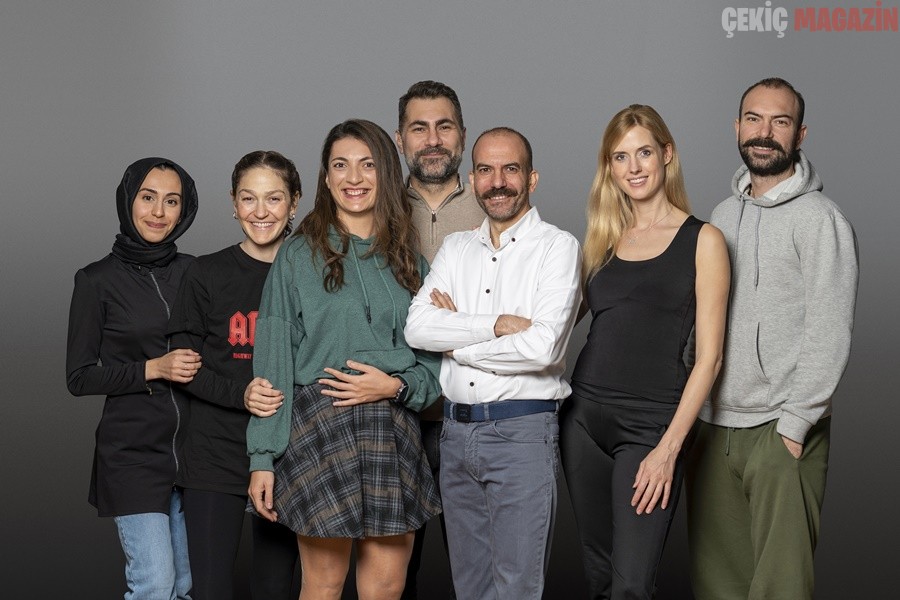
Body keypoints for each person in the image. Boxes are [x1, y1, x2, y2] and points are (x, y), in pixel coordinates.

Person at [246, 119, 442, 600]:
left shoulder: (411, 260)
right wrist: (262, 457)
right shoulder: (296, 256)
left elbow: (438, 363)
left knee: (386, 587)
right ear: (326, 177)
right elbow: (272, 366)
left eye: (367, 164)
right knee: (323, 584)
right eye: (341, 165)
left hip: (392, 428)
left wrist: (397, 387)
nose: (354, 177)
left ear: (386, 173)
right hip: (318, 428)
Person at [686, 77, 859, 600]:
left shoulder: (821, 220)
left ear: (799, 134)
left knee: (780, 589)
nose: (765, 133)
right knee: (718, 586)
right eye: (754, 119)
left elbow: (831, 327)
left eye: (779, 122)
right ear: (737, 127)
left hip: (781, 432)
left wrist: (796, 424)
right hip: (715, 428)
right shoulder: (720, 216)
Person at [559, 105, 730, 600]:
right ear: (609, 167)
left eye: (644, 153)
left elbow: (711, 359)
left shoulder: (704, 240)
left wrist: (668, 450)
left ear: (666, 155)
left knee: (632, 585)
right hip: (584, 421)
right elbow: (557, 326)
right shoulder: (604, 240)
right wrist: (484, 320)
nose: (634, 167)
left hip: (652, 427)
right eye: (620, 157)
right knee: (599, 576)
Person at [404, 127, 582, 600]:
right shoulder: (456, 248)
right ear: (472, 177)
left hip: (521, 433)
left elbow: (543, 349)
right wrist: (497, 324)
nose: (497, 181)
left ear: (532, 178)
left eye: (510, 169)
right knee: (472, 587)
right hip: (456, 436)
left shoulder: (557, 248)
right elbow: (418, 328)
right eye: (485, 170)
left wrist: (457, 336)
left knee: (517, 588)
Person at [167, 151, 301, 600]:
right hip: (214, 453)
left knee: (274, 587)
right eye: (249, 198)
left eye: (274, 198)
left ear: (295, 202)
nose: (261, 212)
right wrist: (240, 393)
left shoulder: (313, 272)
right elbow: (183, 368)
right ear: (233, 203)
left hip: (287, 453)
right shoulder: (204, 273)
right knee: (210, 588)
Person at [66, 157, 200, 599]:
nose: (158, 212)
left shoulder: (195, 273)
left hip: (195, 451)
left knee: (184, 584)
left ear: (185, 209)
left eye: (171, 201)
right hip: (132, 455)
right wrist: (152, 369)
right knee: (155, 583)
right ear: (128, 201)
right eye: (147, 197)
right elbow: (79, 377)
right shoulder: (95, 280)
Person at [395, 79, 483, 600]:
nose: (432, 139)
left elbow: (548, 305)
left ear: (463, 135)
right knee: (391, 577)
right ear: (400, 137)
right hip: (396, 414)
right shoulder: (373, 208)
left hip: (469, 414)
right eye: (419, 128)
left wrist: (468, 323)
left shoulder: (496, 202)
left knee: (476, 570)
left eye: (444, 126)